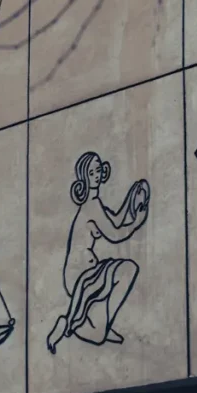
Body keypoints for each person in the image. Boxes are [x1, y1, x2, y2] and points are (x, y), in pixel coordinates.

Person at [47, 151, 150, 354]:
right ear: (84, 177)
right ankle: (73, 325)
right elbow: (116, 234)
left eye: (98, 170)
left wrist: (132, 198)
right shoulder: (91, 206)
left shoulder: (95, 205)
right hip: (80, 274)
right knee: (127, 270)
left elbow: (116, 219)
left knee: (127, 270)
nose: (96, 175)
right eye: (91, 172)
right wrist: (138, 221)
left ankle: (98, 326)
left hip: (87, 270)